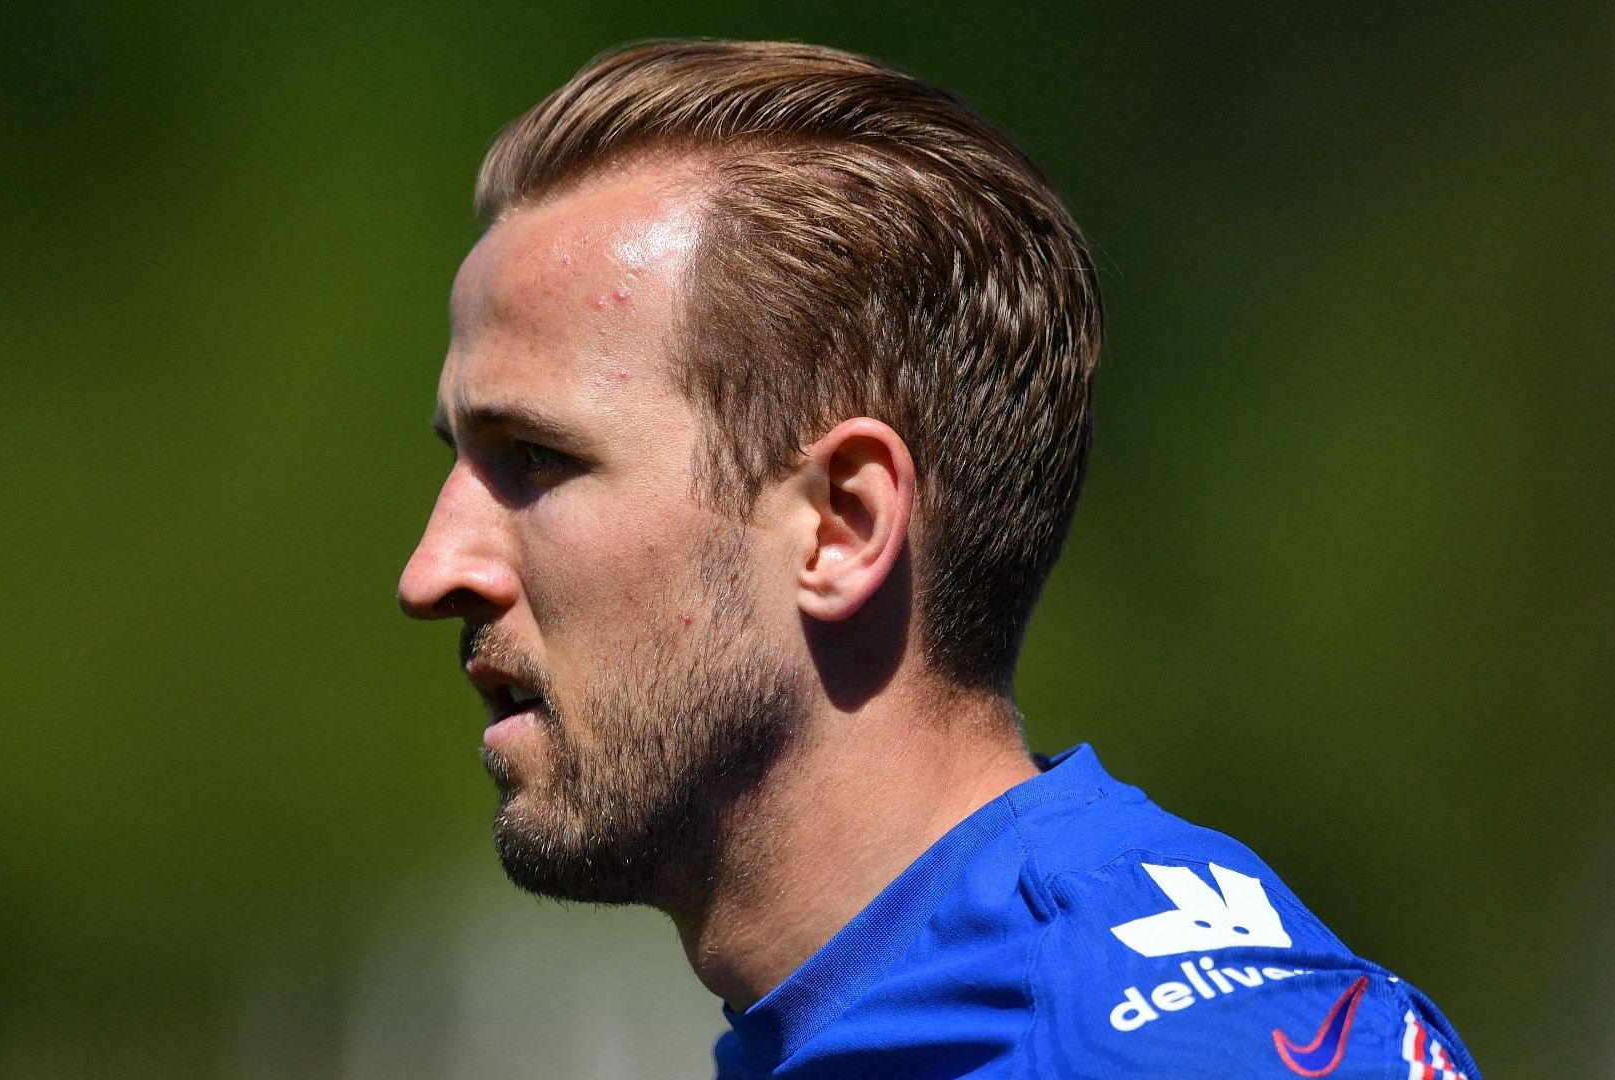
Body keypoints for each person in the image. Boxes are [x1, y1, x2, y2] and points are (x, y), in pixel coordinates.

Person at [397, 39, 1480, 1080]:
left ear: (842, 524)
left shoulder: (1176, 1047)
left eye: (535, 459)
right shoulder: (861, 1020)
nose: (432, 570)